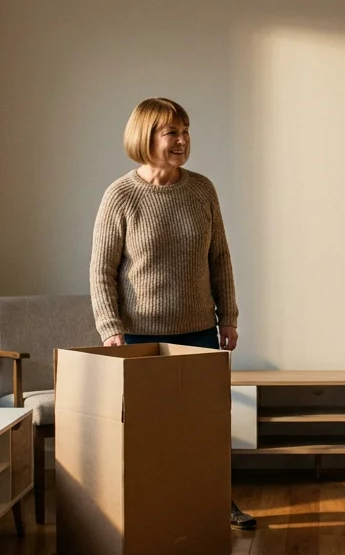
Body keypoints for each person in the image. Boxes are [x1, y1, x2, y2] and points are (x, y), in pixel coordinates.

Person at [89, 96, 256, 531]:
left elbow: (220, 258)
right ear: (146, 137)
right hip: (139, 338)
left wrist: (229, 317)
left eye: (185, 131)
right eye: (172, 132)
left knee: (206, 426)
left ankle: (216, 501)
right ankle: (149, 511)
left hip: (199, 331)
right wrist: (110, 329)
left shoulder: (202, 189)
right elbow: (101, 271)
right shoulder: (120, 196)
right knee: (148, 431)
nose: (182, 140)